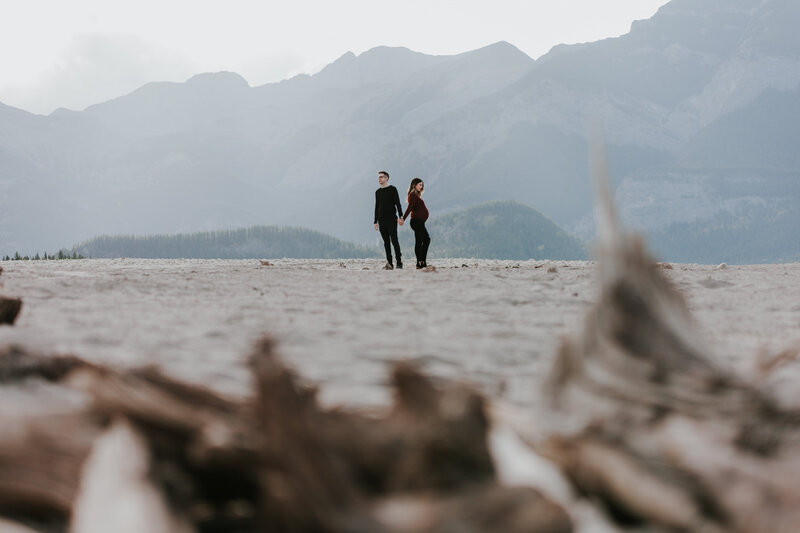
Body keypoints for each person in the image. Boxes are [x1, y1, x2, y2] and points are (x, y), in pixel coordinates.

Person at [373, 170, 404, 269]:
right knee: (386, 242)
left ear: (386, 178)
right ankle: (389, 263)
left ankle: (399, 262)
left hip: (392, 219)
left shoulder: (393, 189)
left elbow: (398, 203)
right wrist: (375, 221)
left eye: (381, 177)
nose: (379, 179)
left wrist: (401, 217)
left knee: (394, 240)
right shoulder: (377, 192)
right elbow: (377, 207)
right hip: (381, 220)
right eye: (378, 177)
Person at [401, 177, 430, 270]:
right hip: (416, 221)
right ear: (414, 185)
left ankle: (422, 261)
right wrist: (403, 218)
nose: (421, 187)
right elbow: (409, 208)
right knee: (422, 240)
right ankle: (420, 262)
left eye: (422, 185)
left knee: (425, 240)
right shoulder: (412, 195)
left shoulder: (416, 195)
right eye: (420, 185)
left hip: (419, 222)